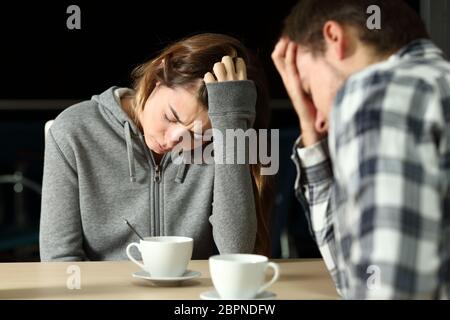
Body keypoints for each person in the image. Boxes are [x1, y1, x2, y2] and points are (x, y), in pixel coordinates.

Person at [40, 33, 273, 261]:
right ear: (157, 77)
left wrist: (230, 125)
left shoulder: (223, 139)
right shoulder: (74, 131)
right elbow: (59, 258)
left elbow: (237, 254)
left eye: (198, 135)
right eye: (171, 117)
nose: (173, 140)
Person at [272, 0, 450, 299]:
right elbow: (352, 275)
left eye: (307, 88)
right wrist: (309, 130)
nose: (318, 118)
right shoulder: (433, 82)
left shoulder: (381, 91)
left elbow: (389, 289)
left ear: (335, 38)